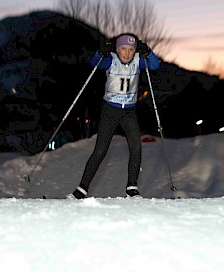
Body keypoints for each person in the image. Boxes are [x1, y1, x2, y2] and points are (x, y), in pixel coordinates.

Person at [67, 33, 160, 199]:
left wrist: (148, 51)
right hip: (111, 110)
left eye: (131, 50)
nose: (127, 53)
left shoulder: (138, 61)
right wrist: (100, 52)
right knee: (100, 150)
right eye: (123, 49)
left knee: (136, 147)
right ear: (117, 49)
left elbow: (155, 65)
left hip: (129, 111)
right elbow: (96, 62)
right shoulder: (112, 60)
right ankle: (81, 189)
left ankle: (132, 187)